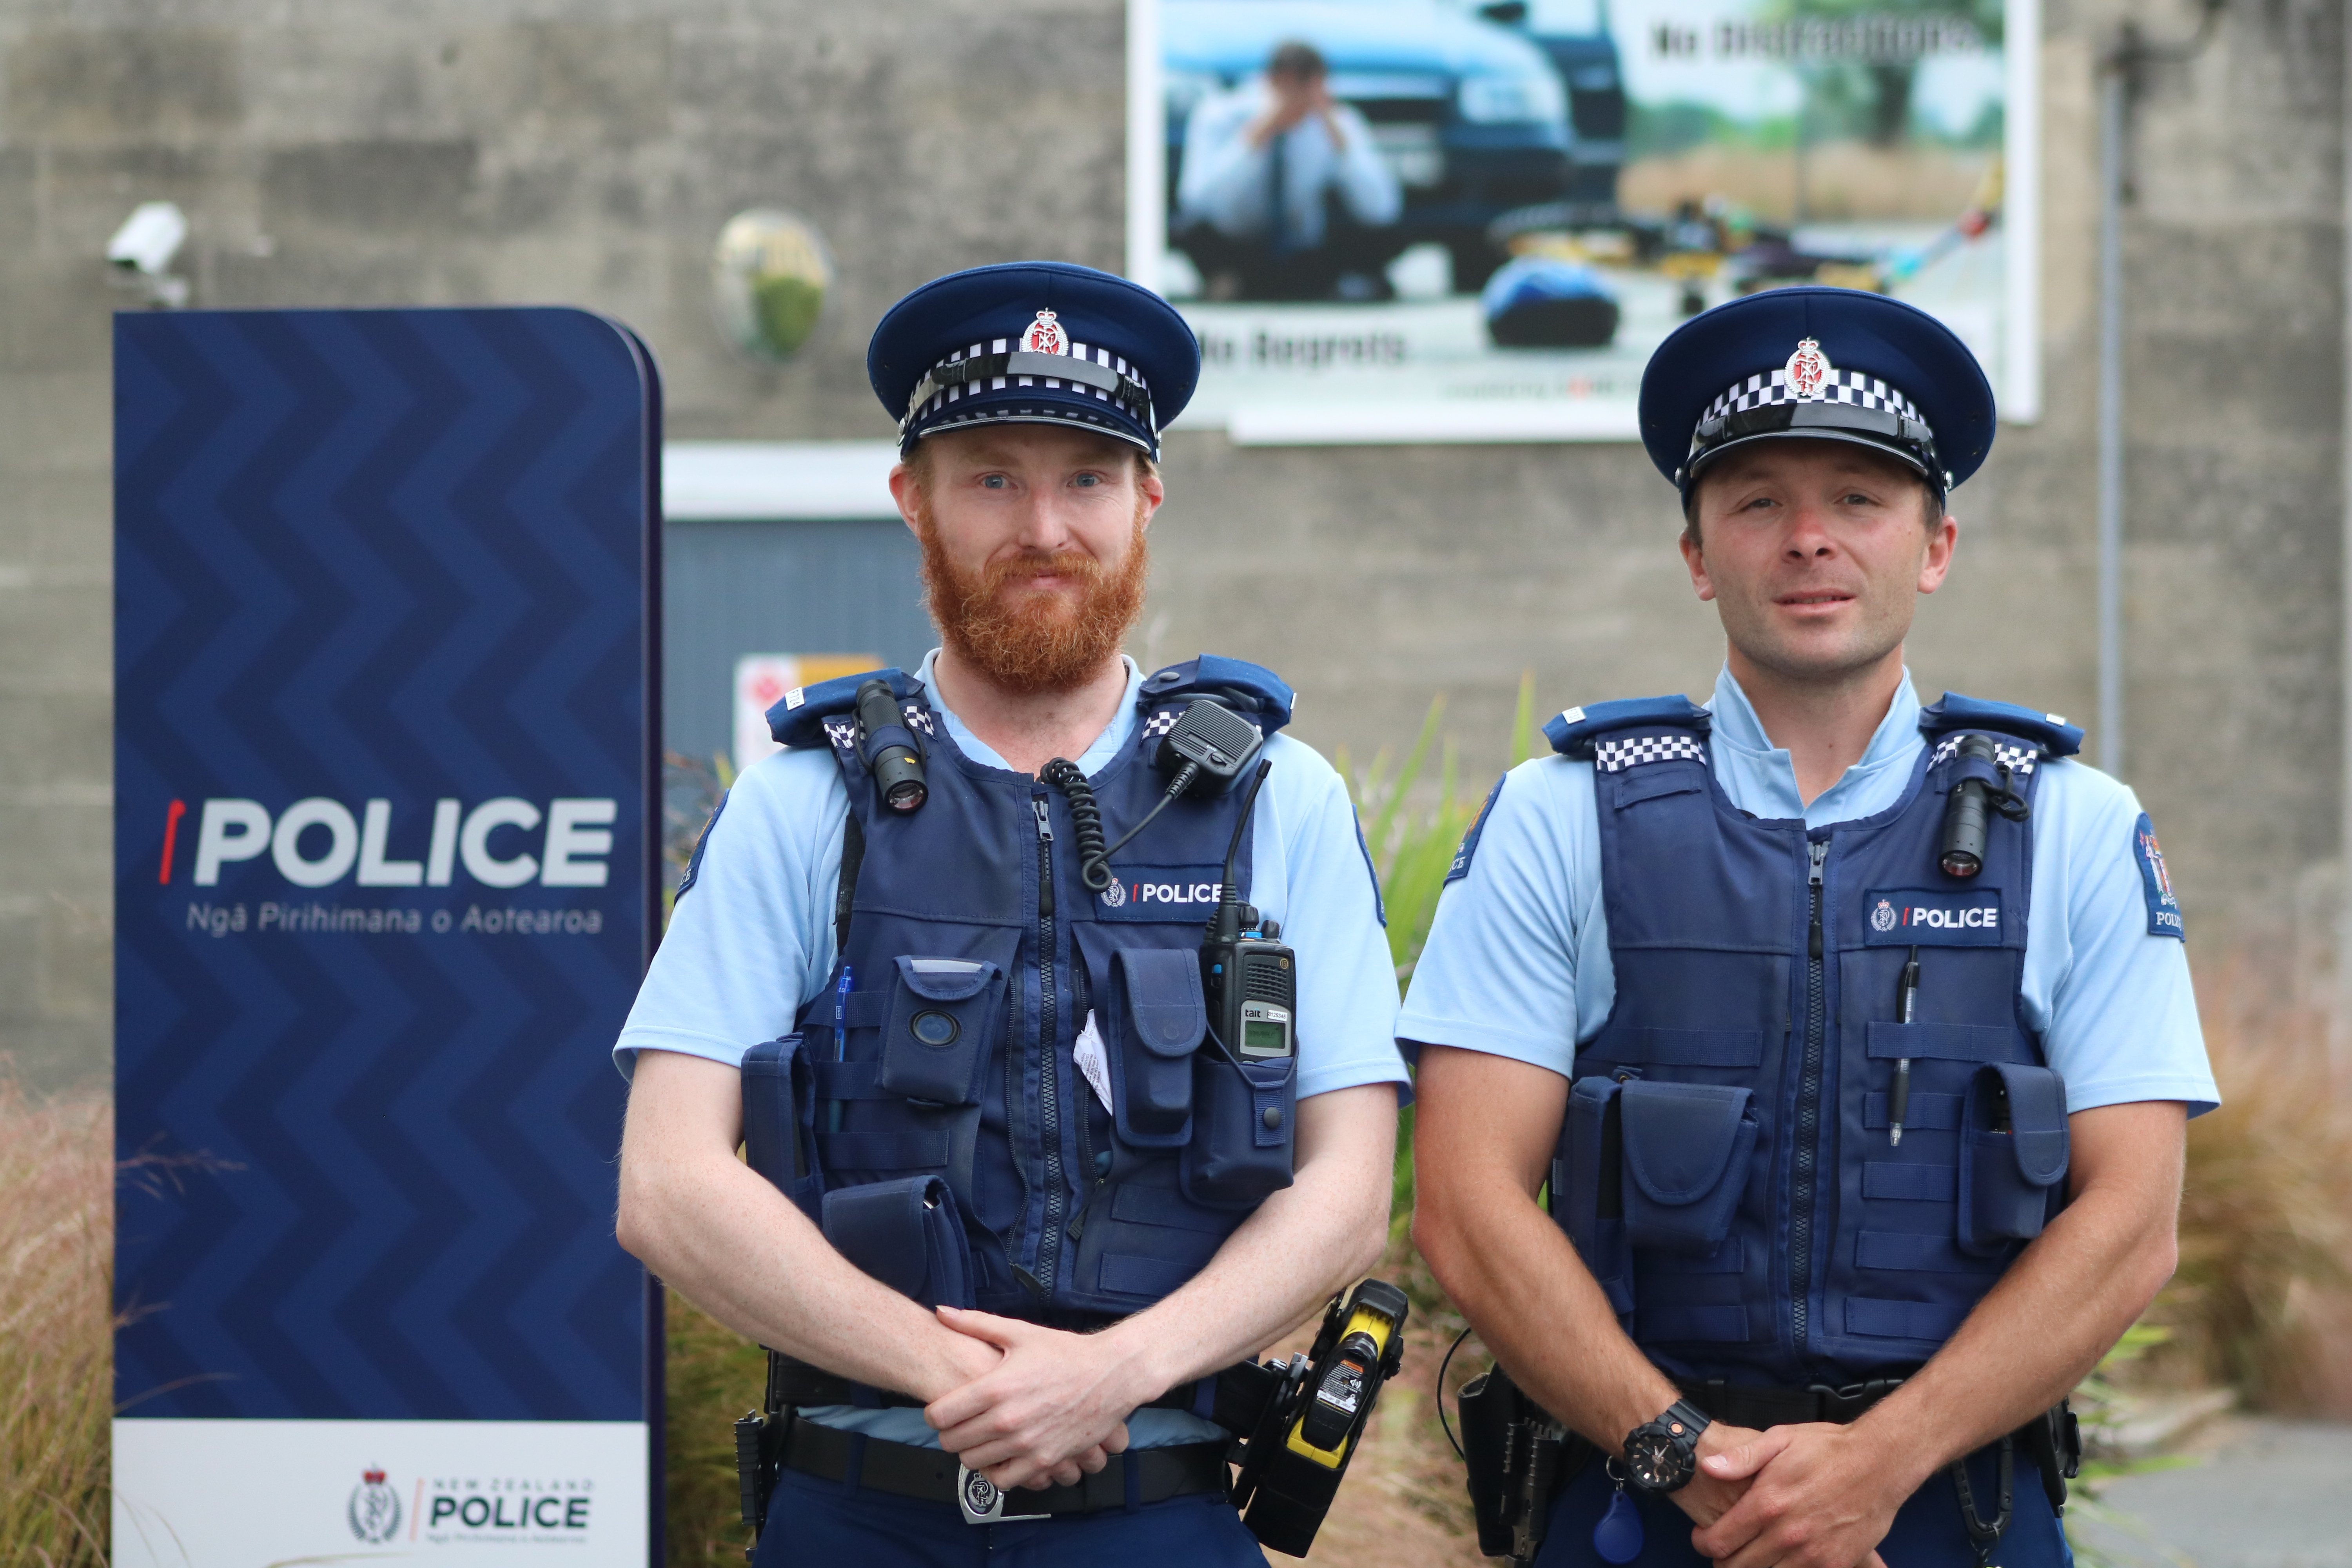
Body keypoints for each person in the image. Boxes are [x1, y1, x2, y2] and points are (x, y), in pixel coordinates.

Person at [1403, 287, 2217, 1568]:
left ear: (1934, 544)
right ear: (1697, 554)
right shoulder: (1560, 817)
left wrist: (1879, 1468)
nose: (1808, 541)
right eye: (1758, 502)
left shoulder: (2074, 824)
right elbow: (1463, 1202)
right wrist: (1685, 1455)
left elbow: (2132, 1224)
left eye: (1858, 499)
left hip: (1952, 1512)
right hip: (1641, 1506)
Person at [613, 260, 1405, 1566]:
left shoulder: (1284, 800)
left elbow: (1346, 1187)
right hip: (858, 1509)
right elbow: (668, 1182)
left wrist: (1116, 1372)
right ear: (911, 500)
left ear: (1148, 498)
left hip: (1160, 1511)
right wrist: (956, 1374)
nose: (1046, 525)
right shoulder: (807, 799)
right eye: (992, 476)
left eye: (1086, 478)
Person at [1174, 40, 1406, 302]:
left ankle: (1271, 284)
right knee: (1189, 229)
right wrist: (1257, 135)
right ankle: (1232, 278)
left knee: (1389, 236)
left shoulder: (1338, 121)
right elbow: (1195, 200)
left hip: (1304, 250)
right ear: (1270, 82)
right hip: (1236, 241)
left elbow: (1381, 209)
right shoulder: (1222, 114)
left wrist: (1341, 143)